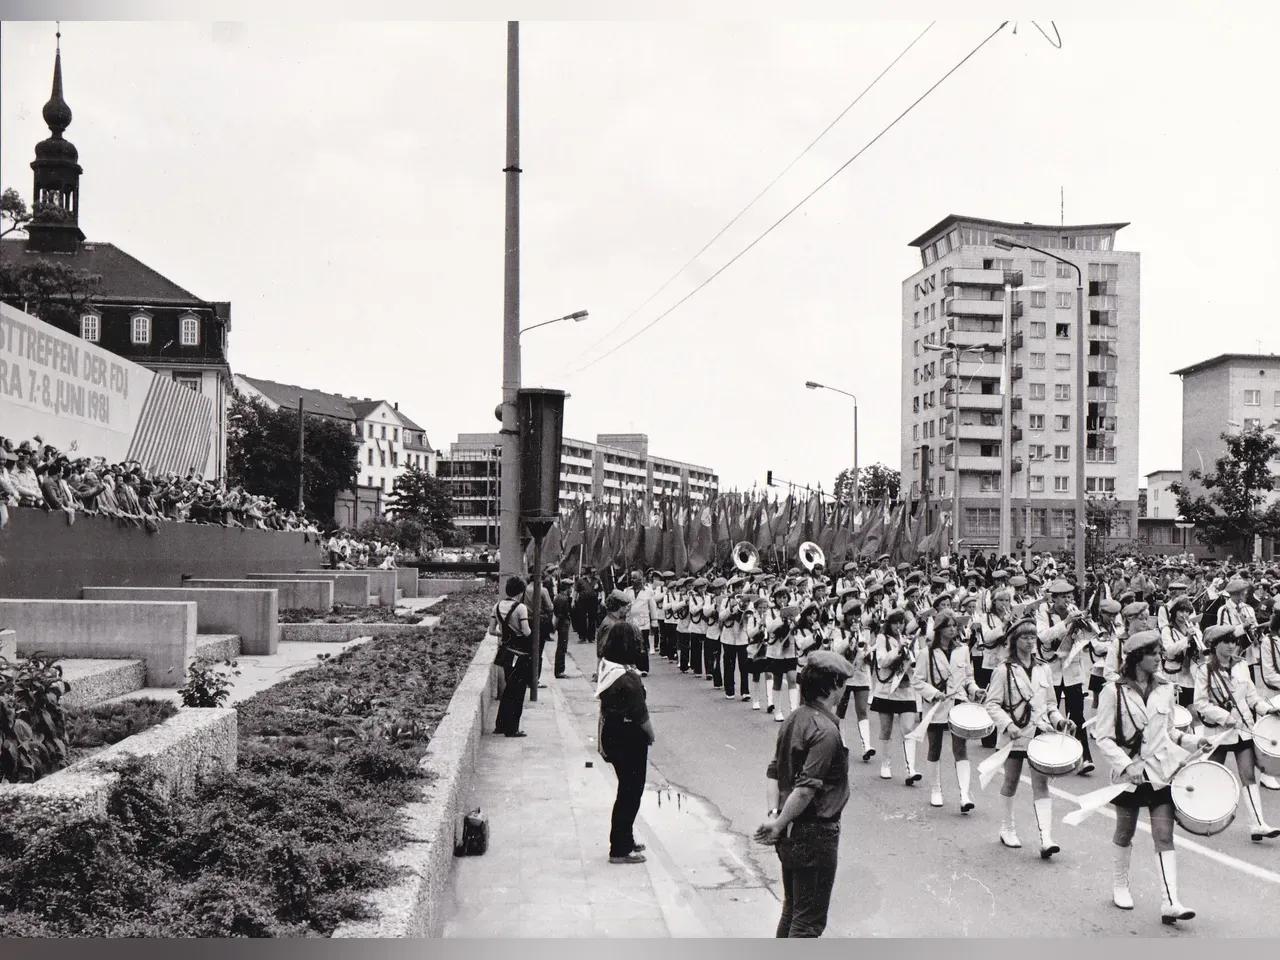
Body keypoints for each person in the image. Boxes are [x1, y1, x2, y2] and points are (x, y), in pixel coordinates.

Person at [1093, 630, 1214, 924]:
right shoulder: (1113, 691)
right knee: (1125, 832)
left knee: (1164, 835)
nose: (1160, 658)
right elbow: (1103, 737)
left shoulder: (1166, 688)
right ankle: (1120, 885)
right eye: (1154, 654)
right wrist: (1126, 765)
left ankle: (1170, 902)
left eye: (1160, 653)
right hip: (1130, 776)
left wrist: (1193, 742)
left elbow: (1170, 732)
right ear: (1137, 658)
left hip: (1160, 773)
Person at [754, 651, 854, 938]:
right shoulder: (825, 730)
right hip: (815, 832)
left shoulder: (795, 718)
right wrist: (780, 822)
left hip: (792, 830)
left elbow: (774, 771)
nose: (844, 688)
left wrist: (776, 818)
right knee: (808, 921)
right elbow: (807, 788)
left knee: (793, 909)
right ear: (832, 684)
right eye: (842, 682)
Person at [984, 617, 1074, 857]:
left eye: (1033, 636)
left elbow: (1051, 704)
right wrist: (1008, 725)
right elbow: (991, 704)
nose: (1030, 641)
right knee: (1011, 781)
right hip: (1014, 735)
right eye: (1025, 636)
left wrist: (1059, 720)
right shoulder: (1004, 670)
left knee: (1041, 783)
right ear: (1014, 641)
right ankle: (1007, 828)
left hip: (1038, 733)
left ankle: (1046, 837)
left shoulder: (1044, 668)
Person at [1193, 624, 1280, 841]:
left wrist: (1268, 709)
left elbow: (1251, 697)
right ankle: (1200, 814)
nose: (1232, 646)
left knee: (1248, 776)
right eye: (1226, 642)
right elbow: (1200, 704)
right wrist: (1225, 717)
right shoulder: (1205, 670)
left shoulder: (1241, 666)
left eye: (1234, 641)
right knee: (1212, 774)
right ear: (1214, 645)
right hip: (1218, 731)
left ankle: (1258, 824)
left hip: (1243, 730)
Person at [596, 622, 655, 865]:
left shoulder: (609, 669)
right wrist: (651, 735)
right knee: (631, 792)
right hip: (629, 738)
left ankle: (625, 838)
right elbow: (642, 716)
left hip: (613, 734)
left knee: (626, 790)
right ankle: (620, 848)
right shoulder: (628, 679)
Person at [913, 612, 981, 812]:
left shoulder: (963, 650)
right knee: (935, 747)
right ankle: (936, 790)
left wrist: (975, 690)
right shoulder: (927, 653)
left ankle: (964, 794)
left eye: (954, 625)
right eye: (948, 625)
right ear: (939, 629)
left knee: (960, 748)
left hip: (958, 703)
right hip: (936, 705)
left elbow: (968, 677)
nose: (953, 629)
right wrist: (934, 693)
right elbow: (918, 680)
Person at [870, 609, 921, 784]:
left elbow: (917, 664)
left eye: (902, 623)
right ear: (889, 624)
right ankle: (886, 764)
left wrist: (910, 652)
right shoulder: (882, 638)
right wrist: (899, 650)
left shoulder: (911, 639)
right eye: (895, 623)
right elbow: (882, 661)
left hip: (906, 690)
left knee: (908, 729)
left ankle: (910, 769)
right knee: (886, 729)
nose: (899, 626)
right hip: (886, 690)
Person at [490, 577, 533, 738]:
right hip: (520, 653)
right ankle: (512, 728)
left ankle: (500, 725)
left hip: (505, 652)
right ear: (520, 592)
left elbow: (492, 631)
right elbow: (526, 631)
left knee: (508, 688)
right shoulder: (521, 608)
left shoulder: (497, 606)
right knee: (517, 691)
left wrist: (505, 634)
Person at [552, 581, 573, 679]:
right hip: (563, 625)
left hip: (562, 624)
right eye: (570, 588)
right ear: (567, 588)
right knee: (562, 647)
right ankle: (559, 670)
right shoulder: (564, 599)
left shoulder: (558, 597)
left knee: (561, 647)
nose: (571, 590)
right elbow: (560, 614)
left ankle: (559, 670)